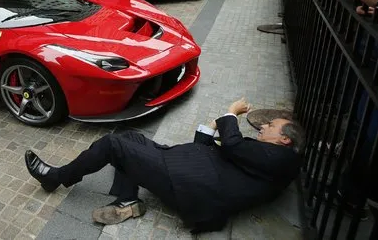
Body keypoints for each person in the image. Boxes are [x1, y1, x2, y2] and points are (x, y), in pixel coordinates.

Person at [25, 98, 304, 233]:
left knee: (114, 146)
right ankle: (127, 202)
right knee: (127, 136)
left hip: (190, 187)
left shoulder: (281, 159)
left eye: (271, 126)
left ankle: (56, 177)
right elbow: (210, 147)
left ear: (284, 140)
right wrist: (211, 126)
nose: (263, 126)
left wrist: (230, 113)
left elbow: (231, 146)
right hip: (190, 169)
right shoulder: (271, 156)